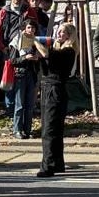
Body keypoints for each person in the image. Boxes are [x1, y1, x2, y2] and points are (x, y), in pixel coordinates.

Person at [33, 23, 77, 177]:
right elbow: (46, 65)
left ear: (69, 35)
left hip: (55, 89)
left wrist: (35, 41)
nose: (59, 34)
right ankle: (57, 163)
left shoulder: (69, 51)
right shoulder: (57, 50)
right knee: (53, 128)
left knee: (50, 129)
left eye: (63, 32)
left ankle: (48, 166)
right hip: (47, 87)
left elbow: (48, 55)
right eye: (58, 31)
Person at [8, 18, 42, 139]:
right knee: (20, 104)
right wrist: (25, 58)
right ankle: (17, 129)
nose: (31, 30)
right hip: (20, 75)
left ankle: (27, 130)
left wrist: (37, 58)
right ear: (24, 28)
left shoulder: (36, 41)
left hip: (32, 75)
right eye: (29, 27)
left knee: (30, 104)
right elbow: (12, 60)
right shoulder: (17, 41)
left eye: (33, 28)